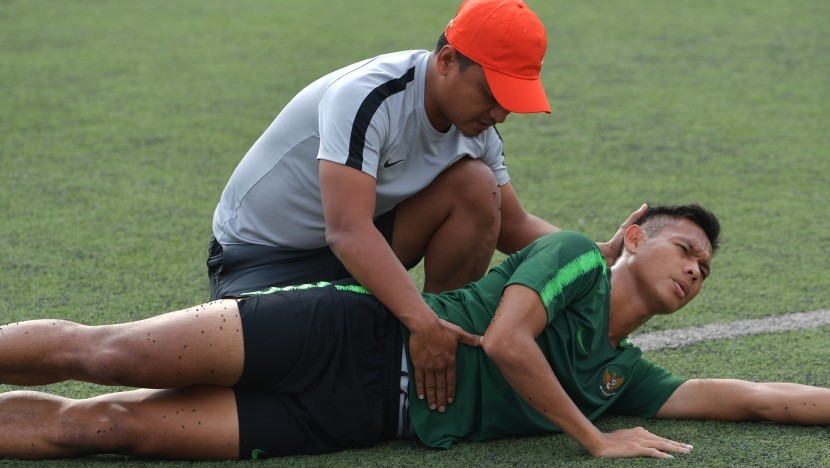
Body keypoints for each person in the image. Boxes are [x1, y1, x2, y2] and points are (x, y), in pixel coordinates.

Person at [3, 204, 829, 461]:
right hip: (344, 335)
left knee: (107, 428)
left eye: (706, 271)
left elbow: (755, 397)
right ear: (639, 236)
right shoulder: (574, 257)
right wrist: (594, 439)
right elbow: (507, 343)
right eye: (686, 249)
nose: (694, 271)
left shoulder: (625, 376)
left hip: (359, 420)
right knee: (100, 350)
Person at [206, 0, 647, 413]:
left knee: (477, 188)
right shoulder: (366, 96)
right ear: (447, 61)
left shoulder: (477, 132)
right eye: (493, 92)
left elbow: (512, 224)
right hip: (260, 262)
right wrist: (420, 322)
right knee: (282, 371)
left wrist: (595, 255)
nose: (501, 114)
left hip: (351, 254)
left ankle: (430, 361)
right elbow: (346, 230)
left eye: (512, 100)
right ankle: (423, 336)